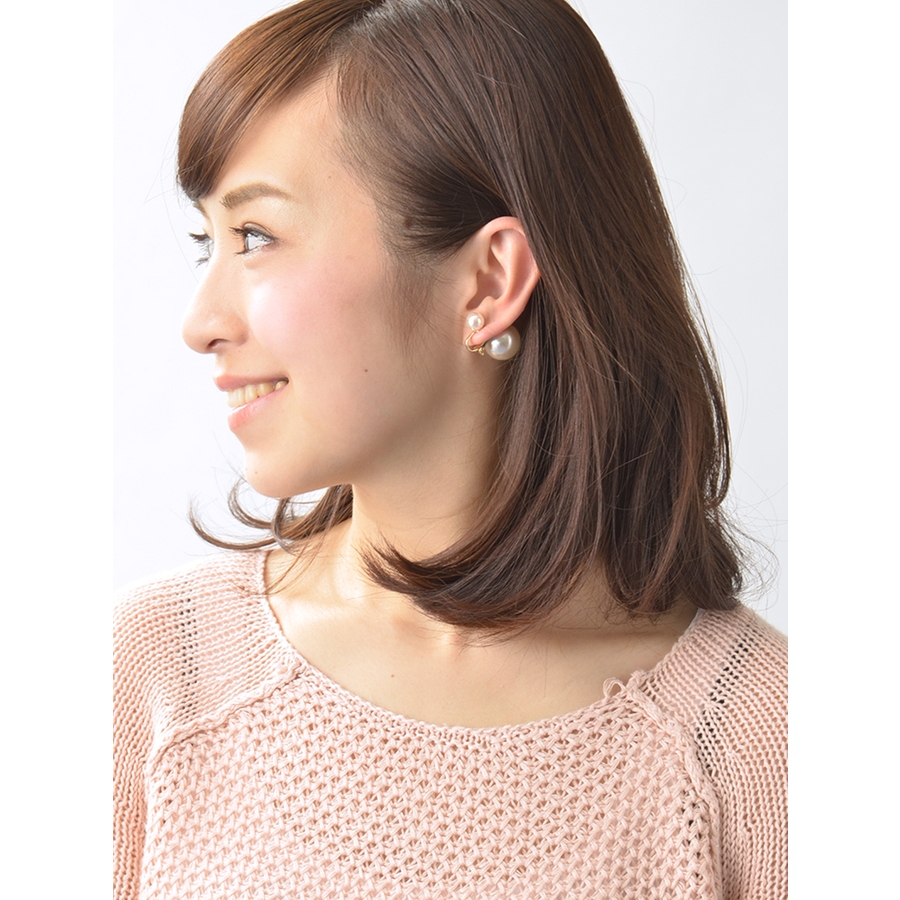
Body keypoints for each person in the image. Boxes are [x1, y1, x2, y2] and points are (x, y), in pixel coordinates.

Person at [113, 1, 787, 897]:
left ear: (489, 280)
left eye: (257, 237)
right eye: (210, 242)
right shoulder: (158, 673)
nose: (200, 322)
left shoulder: (759, 745)